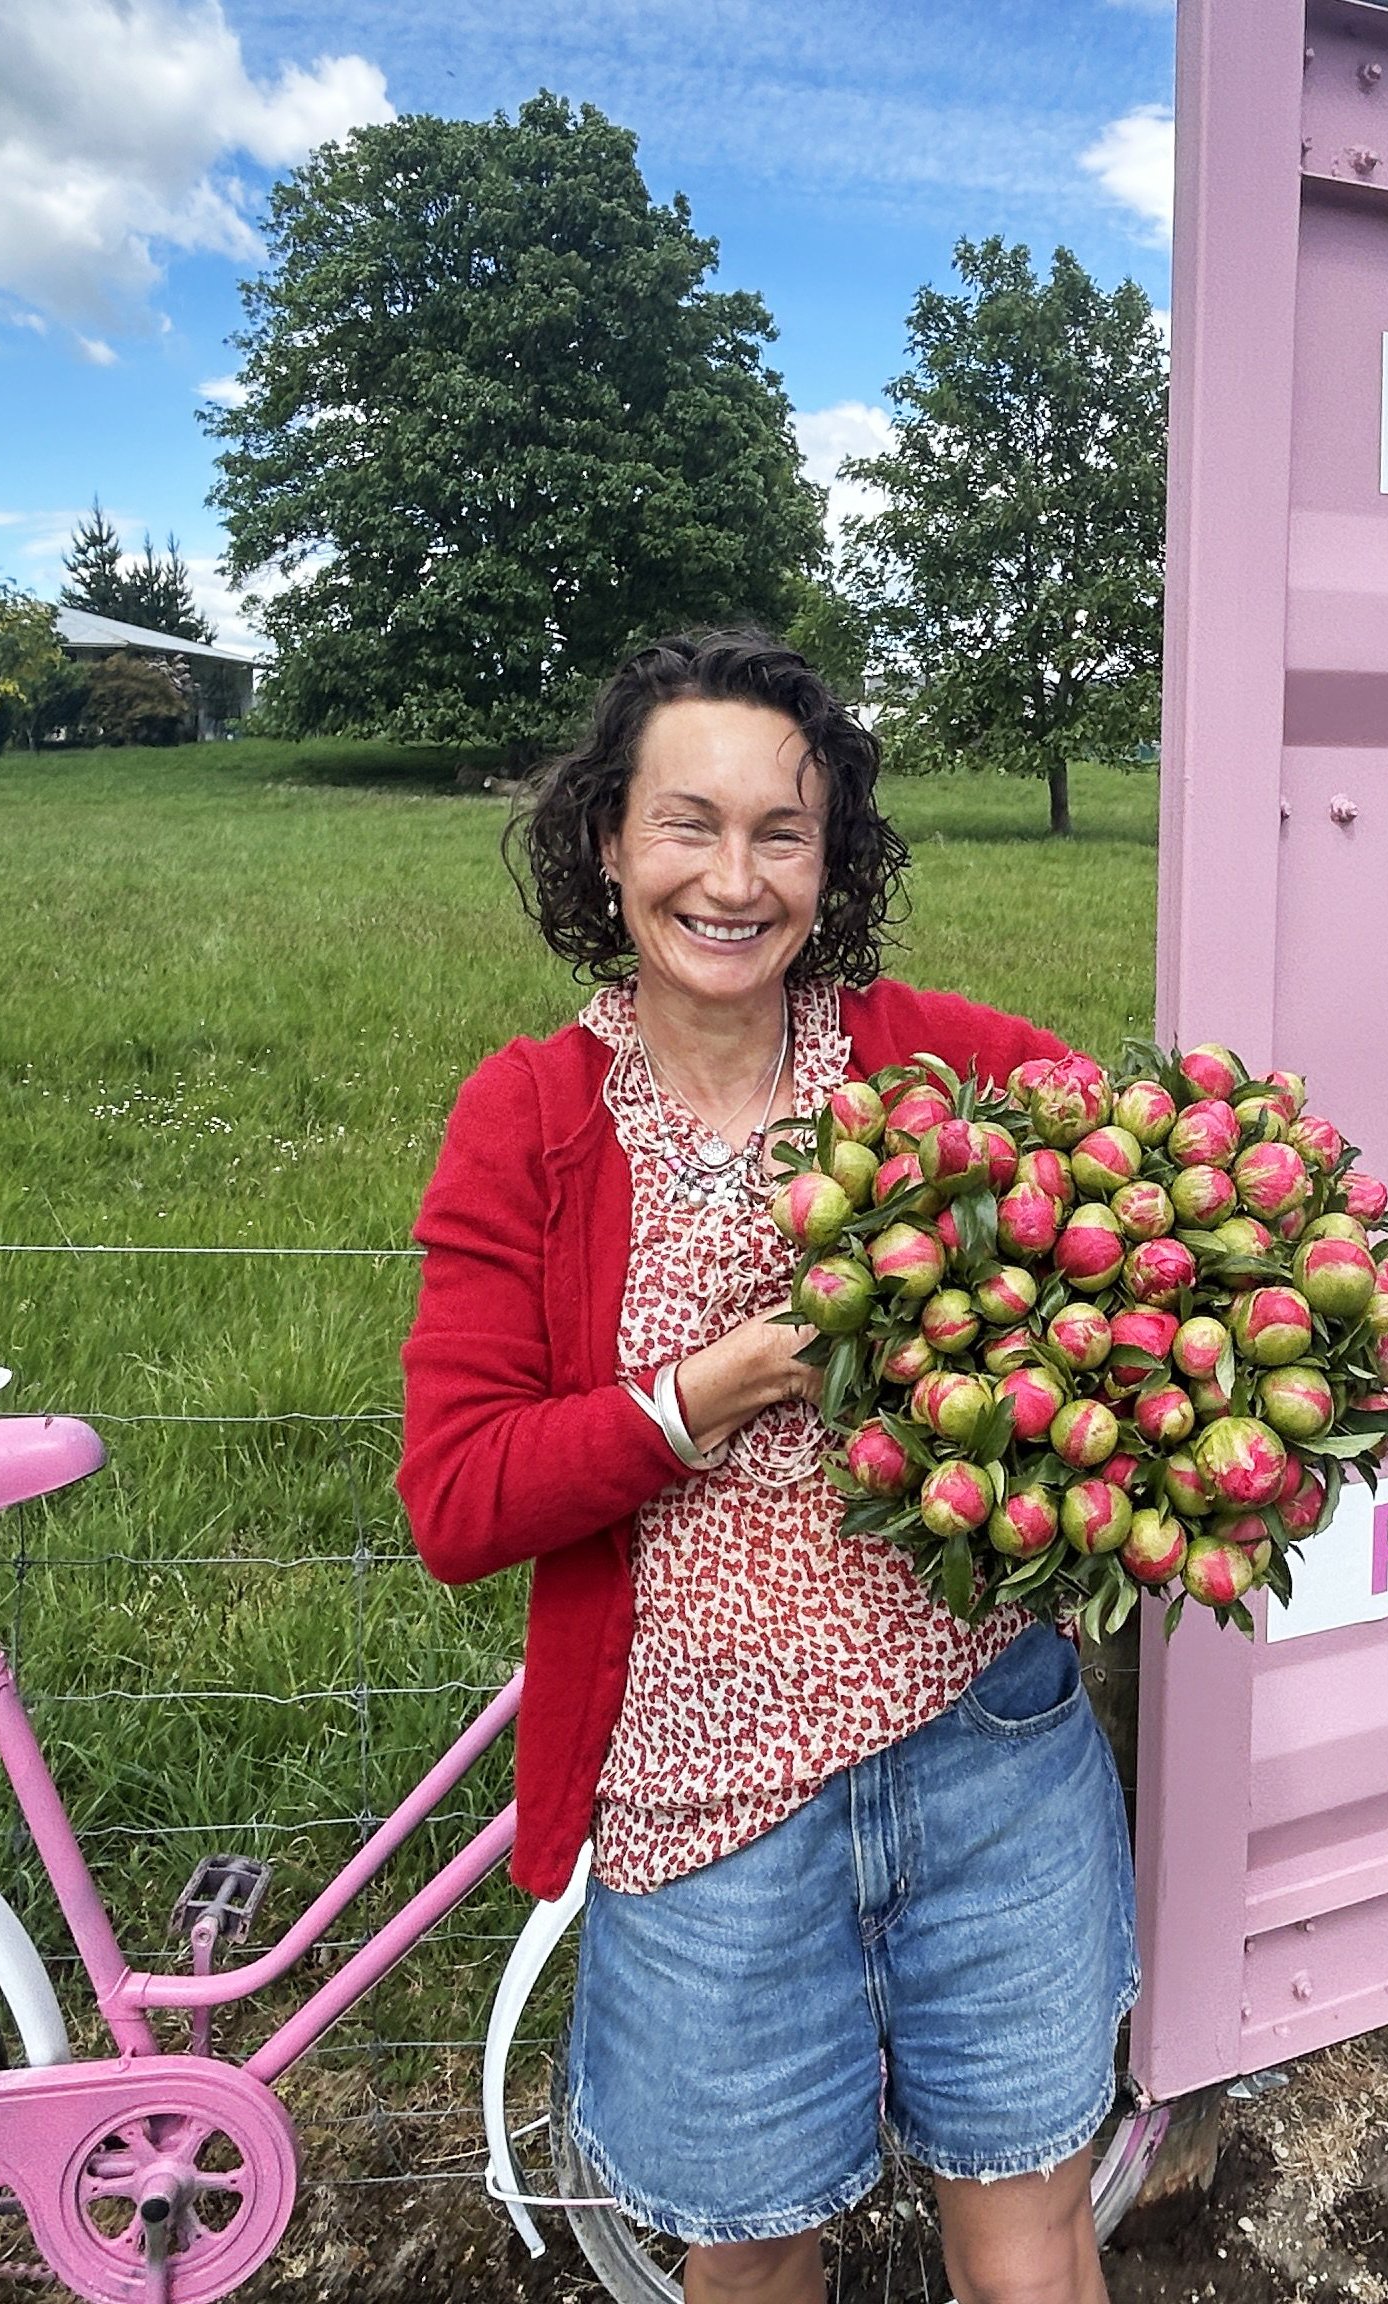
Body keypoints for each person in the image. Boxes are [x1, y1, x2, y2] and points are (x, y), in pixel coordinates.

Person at [398, 630, 1136, 2304]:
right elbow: (457, 1499)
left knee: (1035, 2254)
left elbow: (1155, 1185)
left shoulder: (934, 1057)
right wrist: (708, 1391)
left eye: (781, 834)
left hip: (986, 1750)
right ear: (607, 841)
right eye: (687, 825)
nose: (733, 880)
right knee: (753, 2266)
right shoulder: (529, 1119)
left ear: (833, 856)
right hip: (703, 1797)